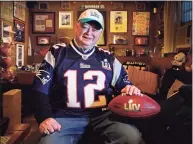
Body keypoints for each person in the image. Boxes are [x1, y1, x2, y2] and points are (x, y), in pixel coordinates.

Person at [32, 9, 144, 144]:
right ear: (76, 26)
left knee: (132, 137)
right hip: (65, 117)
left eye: (95, 29)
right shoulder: (57, 53)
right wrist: (44, 117)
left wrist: (130, 88)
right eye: (85, 26)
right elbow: (40, 88)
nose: (89, 33)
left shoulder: (108, 58)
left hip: (103, 117)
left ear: (100, 33)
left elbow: (125, 85)